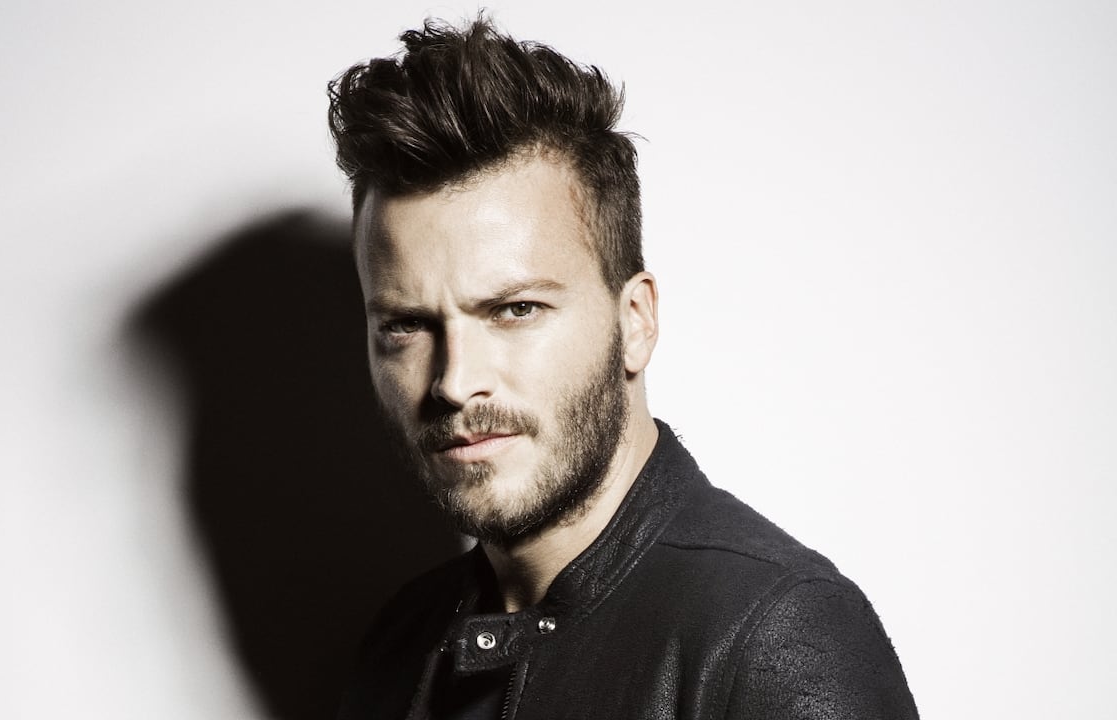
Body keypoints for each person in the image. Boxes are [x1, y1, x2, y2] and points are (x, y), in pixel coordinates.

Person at [328, 17, 918, 720]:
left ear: (635, 321)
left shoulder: (774, 636)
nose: (454, 383)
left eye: (516, 310)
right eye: (406, 326)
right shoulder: (401, 642)